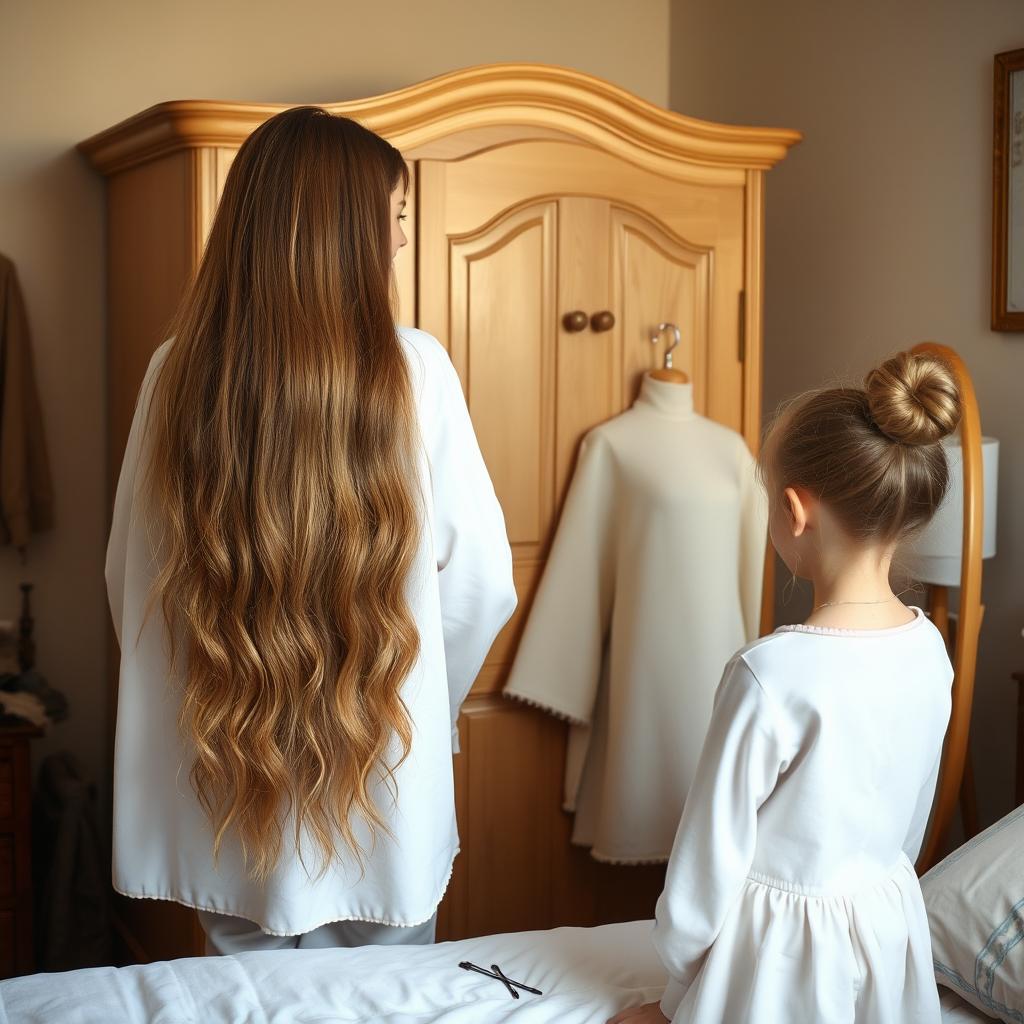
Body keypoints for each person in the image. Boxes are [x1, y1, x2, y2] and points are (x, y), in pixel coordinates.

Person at [105, 107, 517, 953]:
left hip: (225, 766)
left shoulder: (173, 372)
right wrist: (420, 706)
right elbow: (480, 584)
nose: (403, 240)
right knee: (386, 1003)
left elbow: (128, 578)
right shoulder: (417, 371)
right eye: (396, 217)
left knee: (246, 1001)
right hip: (381, 773)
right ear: (348, 230)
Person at [609, 351, 960, 1023]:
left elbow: (705, 866)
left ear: (795, 510)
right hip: (888, 939)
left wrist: (675, 996)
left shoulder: (770, 674)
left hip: (776, 968)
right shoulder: (929, 651)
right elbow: (908, 827)